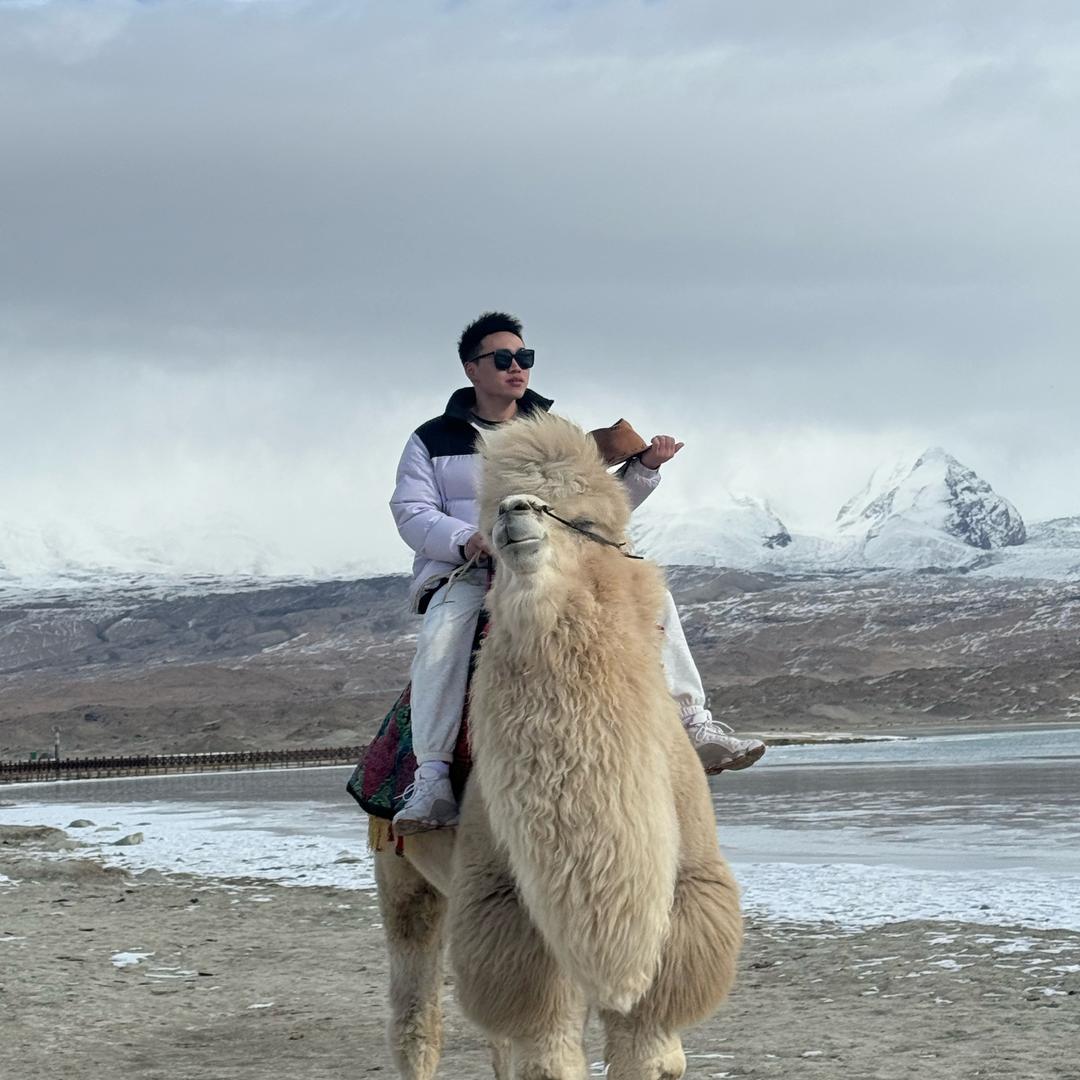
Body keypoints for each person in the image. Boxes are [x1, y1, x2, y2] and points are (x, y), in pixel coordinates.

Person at [389, 312, 765, 834]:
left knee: (651, 596)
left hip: (555, 565)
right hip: (472, 569)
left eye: (524, 357)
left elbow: (593, 508)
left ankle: (693, 723)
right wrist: (465, 539)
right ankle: (431, 777)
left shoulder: (557, 434)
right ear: (471, 369)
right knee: (443, 639)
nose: (516, 367)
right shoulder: (432, 439)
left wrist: (644, 471)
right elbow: (412, 510)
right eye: (502, 359)